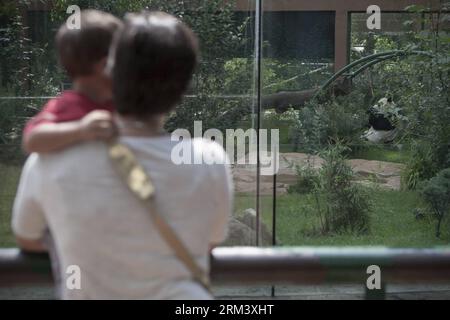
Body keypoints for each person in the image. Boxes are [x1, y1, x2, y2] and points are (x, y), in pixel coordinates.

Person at [12, 11, 232, 300]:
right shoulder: (210, 160)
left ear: (112, 71)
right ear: (183, 85)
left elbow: (28, 237)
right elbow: (210, 241)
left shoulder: (49, 160)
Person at [22, 10, 122, 154]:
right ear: (105, 66)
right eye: (124, 61)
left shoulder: (119, 103)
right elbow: (32, 140)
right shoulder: (67, 105)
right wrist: (80, 129)